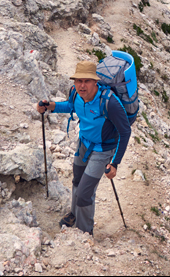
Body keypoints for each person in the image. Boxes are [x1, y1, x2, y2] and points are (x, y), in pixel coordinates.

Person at [37, 60, 131, 234]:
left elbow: (125, 132)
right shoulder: (75, 93)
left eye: (87, 81)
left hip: (103, 150)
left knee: (84, 193)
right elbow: (70, 106)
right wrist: (49, 106)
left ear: (95, 82)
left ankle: (84, 232)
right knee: (76, 182)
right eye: (78, 80)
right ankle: (74, 214)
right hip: (84, 143)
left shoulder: (110, 103)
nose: (82, 85)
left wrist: (115, 163)